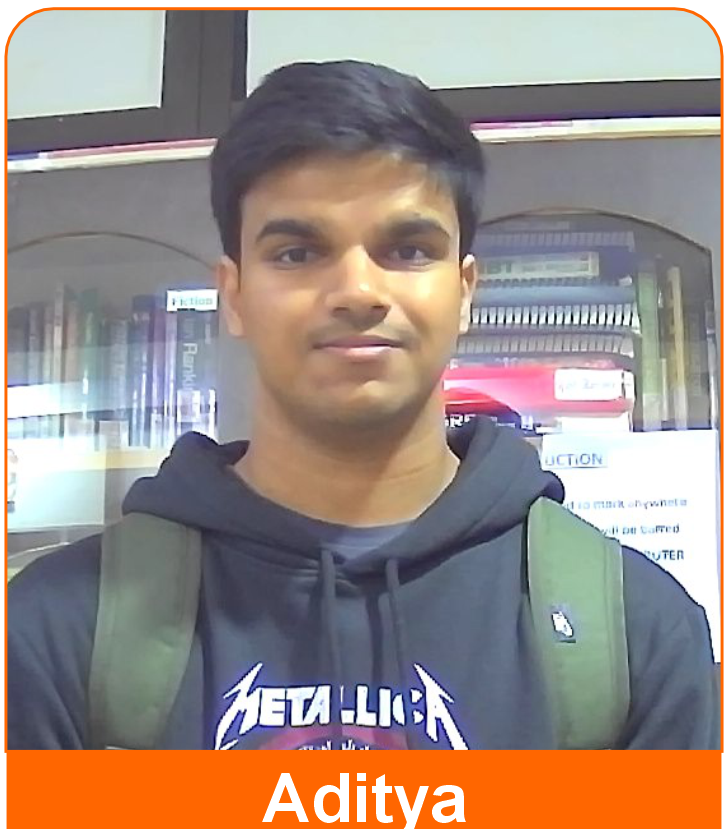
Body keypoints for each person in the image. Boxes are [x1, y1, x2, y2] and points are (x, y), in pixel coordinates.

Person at [8, 61, 719, 750]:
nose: (357, 291)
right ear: (234, 295)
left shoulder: (639, 635)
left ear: (464, 291)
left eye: (408, 250)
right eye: (296, 253)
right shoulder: (55, 632)